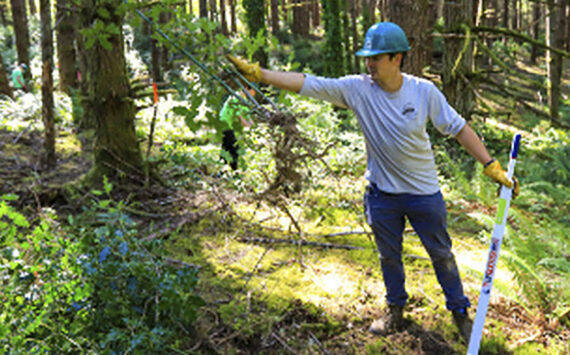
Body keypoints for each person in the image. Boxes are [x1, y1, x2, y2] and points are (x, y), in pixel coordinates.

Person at [227, 21, 519, 342]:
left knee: (442, 254)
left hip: (424, 194)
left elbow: (459, 128)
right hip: (382, 194)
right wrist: (261, 74)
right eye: (367, 57)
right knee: (388, 255)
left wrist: (490, 165)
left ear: (397, 58)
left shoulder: (424, 92)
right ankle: (395, 311)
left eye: (376, 57)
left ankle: (460, 312)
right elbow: (309, 83)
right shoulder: (357, 89)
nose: (369, 63)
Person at [219, 85, 254, 171]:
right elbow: (241, 118)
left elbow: (248, 117)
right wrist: (249, 126)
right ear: (246, 89)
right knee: (234, 149)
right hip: (225, 124)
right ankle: (233, 171)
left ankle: (222, 170)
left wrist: (254, 126)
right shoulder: (236, 98)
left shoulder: (244, 100)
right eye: (253, 91)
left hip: (229, 126)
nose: (254, 94)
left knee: (227, 147)